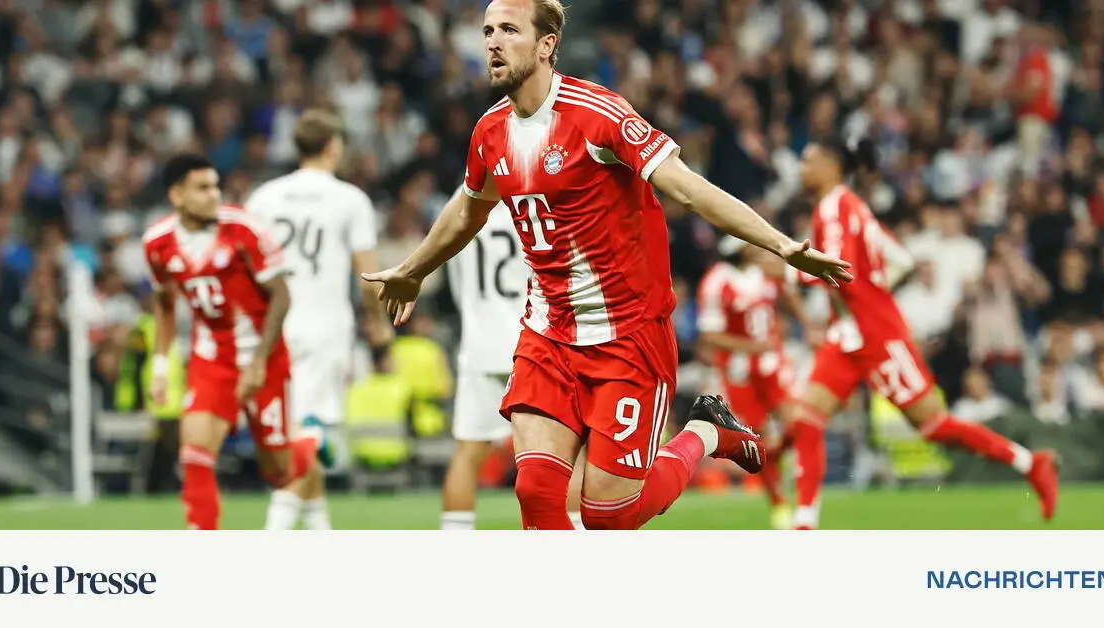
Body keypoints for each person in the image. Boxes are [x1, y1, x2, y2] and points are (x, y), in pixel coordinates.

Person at [363, 0, 852, 530]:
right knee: (534, 489)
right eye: (487, 31)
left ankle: (707, 432)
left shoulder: (598, 114)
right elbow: (467, 210)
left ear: (547, 44)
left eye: (508, 29)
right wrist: (414, 270)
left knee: (608, 516)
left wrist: (781, 245)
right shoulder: (490, 132)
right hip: (548, 333)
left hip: (628, 336)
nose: (493, 42)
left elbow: (688, 188)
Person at [783, 139, 1060, 530]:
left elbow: (838, 267)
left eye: (808, 160)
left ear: (832, 165)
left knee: (933, 425)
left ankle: (1031, 463)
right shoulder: (852, 205)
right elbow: (899, 258)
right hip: (849, 335)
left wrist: (792, 271)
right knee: (807, 417)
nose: (801, 168)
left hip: (876, 336)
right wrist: (873, 290)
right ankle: (804, 523)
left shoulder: (833, 208)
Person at [143, 153, 327, 530]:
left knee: (279, 472)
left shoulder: (243, 229)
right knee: (194, 454)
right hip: (213, 358)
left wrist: (258, 362)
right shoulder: (157, 243)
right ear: (177, 196)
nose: (214, 195)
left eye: (215, 186)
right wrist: (160, 366)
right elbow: (164, 304)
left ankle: (308, 442)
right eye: (202, 188)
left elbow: (281, 296)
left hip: (265, 358)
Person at [245, 109, 393, 530]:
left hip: (274, 328)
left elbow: (247, 267)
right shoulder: (349, 199)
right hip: (324, 328)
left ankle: (319, 530)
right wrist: (378, 323)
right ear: (332, 146)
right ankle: (275, 528)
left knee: (295, 430)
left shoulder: (264, 197)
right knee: (310, 433)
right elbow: (368, 277)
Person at [439, 194, 586, 529]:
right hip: (536, 339)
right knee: (567, 452)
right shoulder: (530, 196)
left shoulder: (460, 202)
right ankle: (576, 532)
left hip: (479, 343)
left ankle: (453, 536)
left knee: (468, 452)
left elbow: (455, 281)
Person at [697, 236, 808, 529]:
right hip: (739, 371)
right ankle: (779, 502)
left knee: (797, 422)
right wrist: (750, 347)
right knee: (758, 439)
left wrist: (805, 323)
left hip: (772, 363)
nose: (756, 246)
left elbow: (788, 295)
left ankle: (779, 455)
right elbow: (709, 335)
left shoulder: (766, 269)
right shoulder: (716, 281)